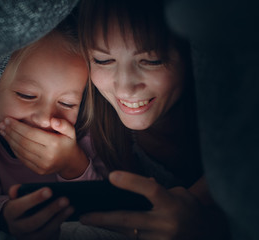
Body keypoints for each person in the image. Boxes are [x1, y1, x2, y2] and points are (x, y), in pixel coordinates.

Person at [75, 0, 229, 239]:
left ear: (192, 56)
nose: (125, 88)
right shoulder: (89, 134)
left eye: (152, 60)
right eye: (103, 60)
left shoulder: (238, 136)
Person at [0, 16, 104, 239]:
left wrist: (72, 164)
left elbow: (105, 206)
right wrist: (6, 216)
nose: (46, 119)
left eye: (67, 104)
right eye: (26, 95)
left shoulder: (85, 133)